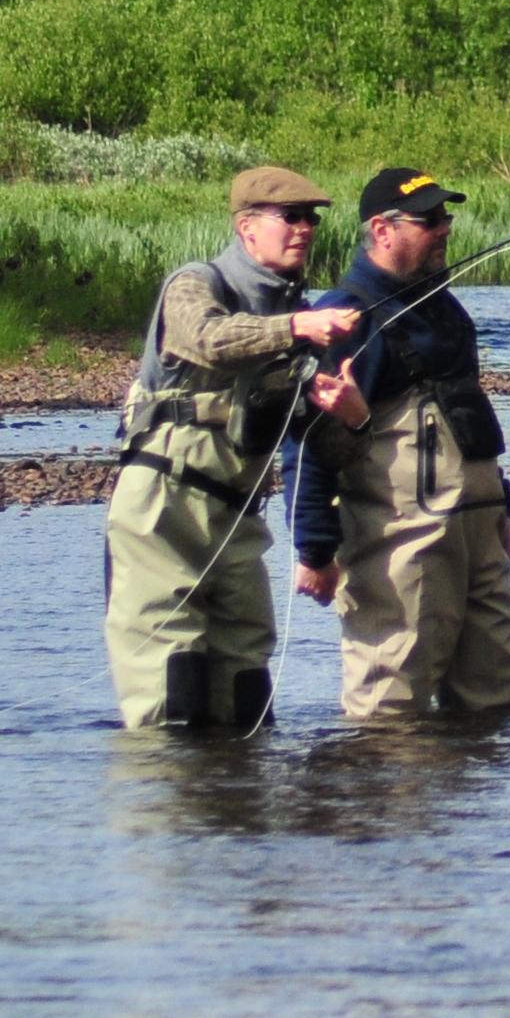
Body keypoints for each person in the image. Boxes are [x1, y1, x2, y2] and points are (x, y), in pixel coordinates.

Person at [105, 167, 362, 731]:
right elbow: (209, 339)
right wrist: (297, 327)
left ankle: (238, 806)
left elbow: (324, 452)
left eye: (312, 219)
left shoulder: (302, 320)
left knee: (245, 677)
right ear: (247, 227)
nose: (305, 229)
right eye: (290, 217)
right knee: (173, 679)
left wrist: (350, 415)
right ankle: (170, 808)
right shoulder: (197, 283)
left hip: (238, 514)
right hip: (162, 504)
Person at [287, 167, 510, 724]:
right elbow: (307, 445)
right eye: (428, 220)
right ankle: (379, 812)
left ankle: (480, 814)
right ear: (382, 229)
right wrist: (315, 551)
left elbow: (469, 415)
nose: (444, 228)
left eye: (446, 217)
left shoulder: (445, 310)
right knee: (390, 710)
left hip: (478, 535)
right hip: (399, 546)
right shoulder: (347, 318)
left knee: (500, 701)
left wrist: (502, 508)